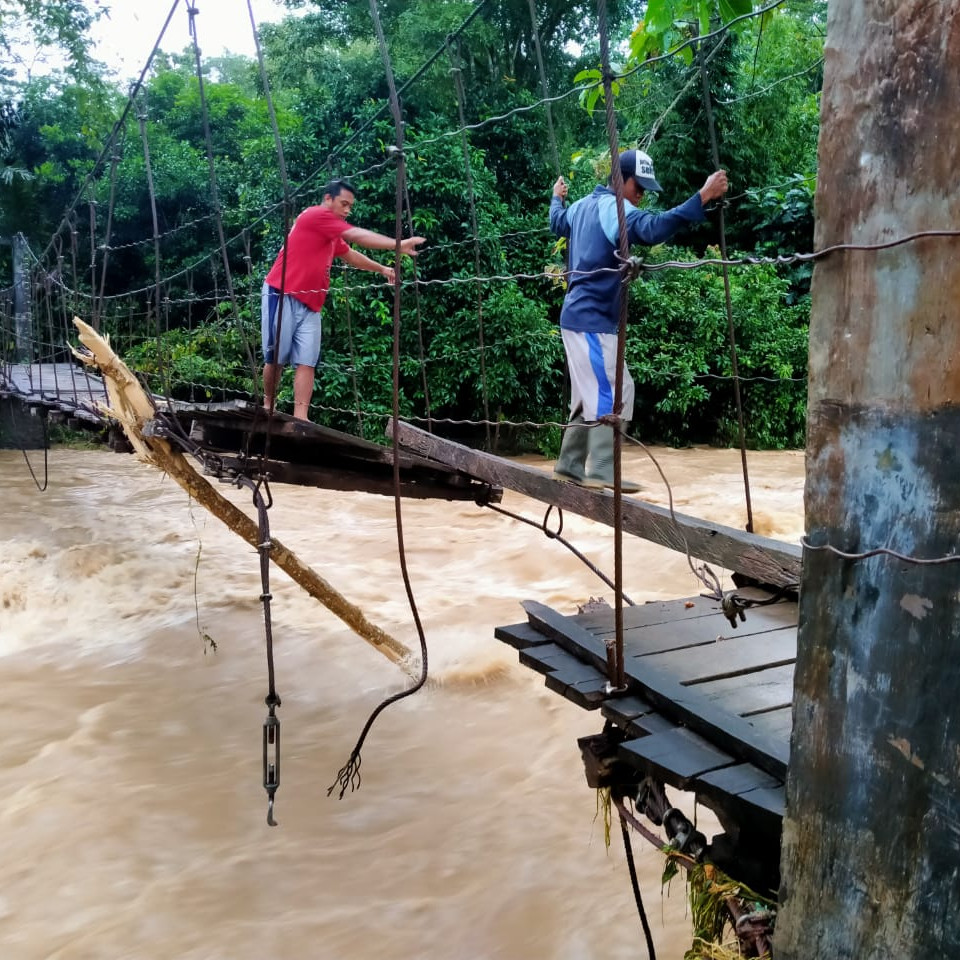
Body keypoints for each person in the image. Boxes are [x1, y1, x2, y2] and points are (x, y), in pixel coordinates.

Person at [549, 149, 728, 492]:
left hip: (581, 316)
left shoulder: (581, 206)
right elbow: (651, 228)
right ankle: (601, 470)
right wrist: (703, 196)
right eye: (638, 186)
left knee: (595, 391)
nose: (641, 195)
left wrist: (555, 198)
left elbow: (557, 221)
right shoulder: (613, 209)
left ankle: (570, 466)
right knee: (612, 391)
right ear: (620, 181)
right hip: (592, 318)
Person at [261, 179, 426, 420]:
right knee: (276, 357)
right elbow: (356, 235)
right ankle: (268, 405)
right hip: (282, 293)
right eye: (344, 204)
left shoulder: (330, 234)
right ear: (328, 199)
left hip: (312, 304)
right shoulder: (315, 216)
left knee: (307, 361)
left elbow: (350, 254)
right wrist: (397, 245)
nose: (347, 210)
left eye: (351, 206)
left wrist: (382, 269)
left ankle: (301, 418)